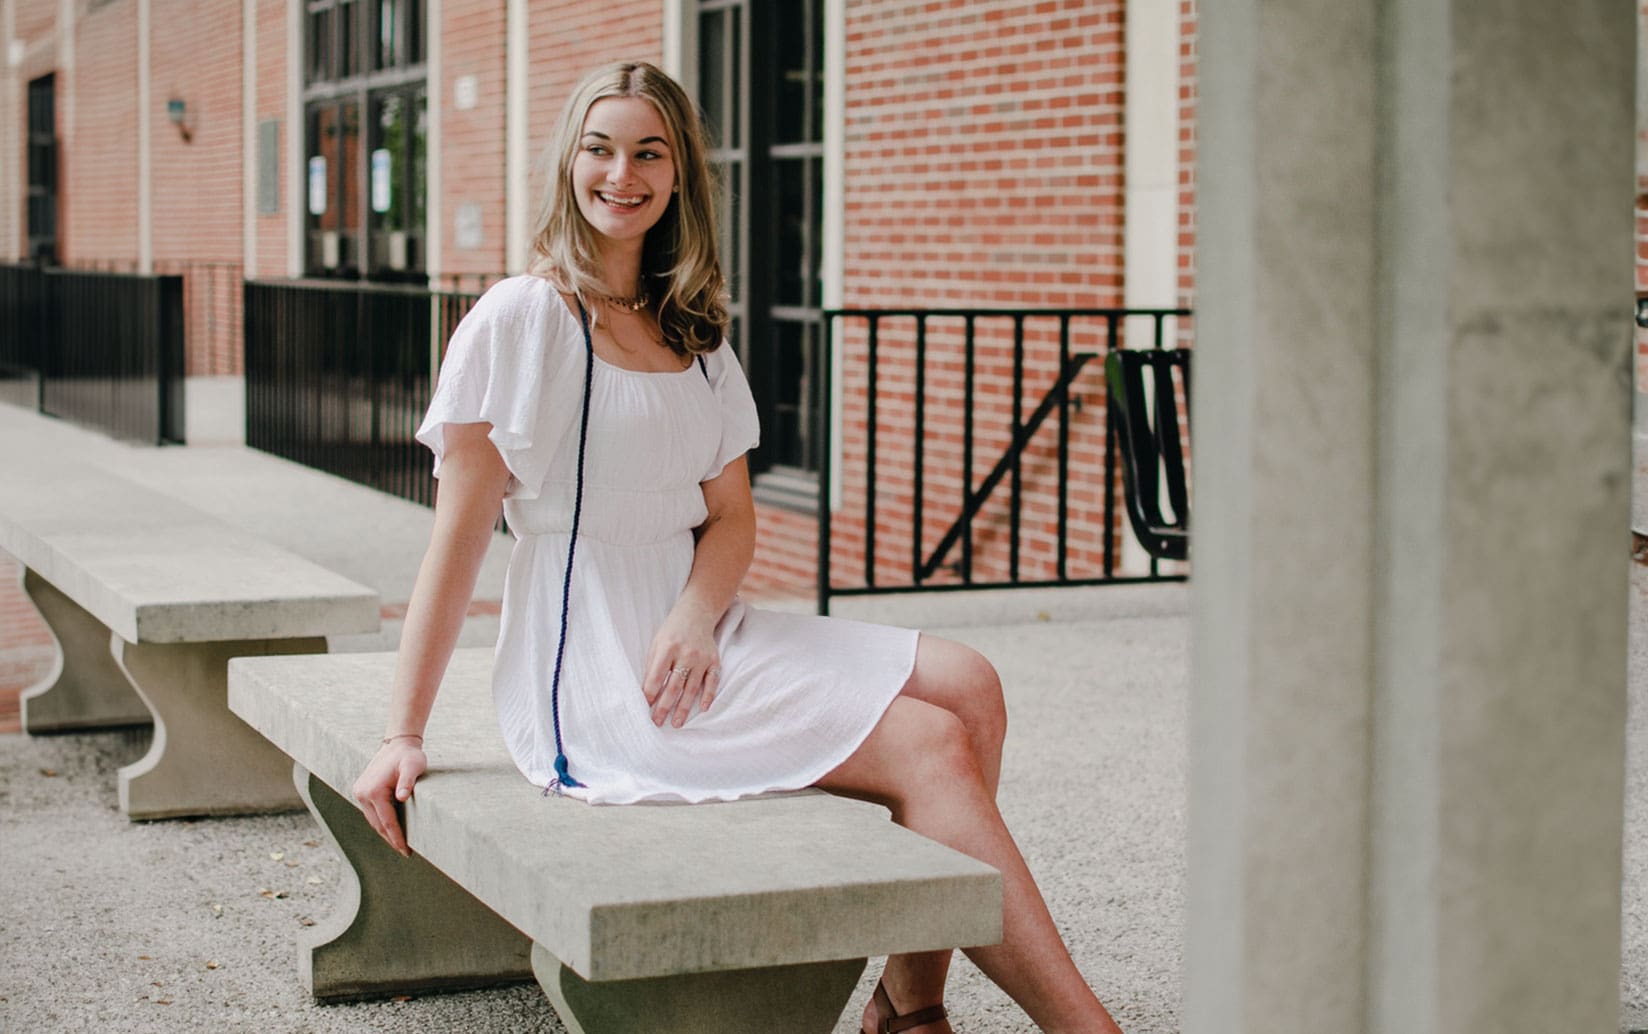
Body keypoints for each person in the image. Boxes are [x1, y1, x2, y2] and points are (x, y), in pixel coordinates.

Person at [351, 60, 1124, 1034]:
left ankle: (907, 1001)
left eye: (648, 152)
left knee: (970, 679)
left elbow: (732, 517)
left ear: (679, 176)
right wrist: (403, 730)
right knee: (928, 739)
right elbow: (456, 542)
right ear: (568, 162)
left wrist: (693, 613)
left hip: (700, 628)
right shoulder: (524, 317)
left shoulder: (695, 329)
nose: (619, 173)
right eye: (599, 147)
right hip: (596, 664)